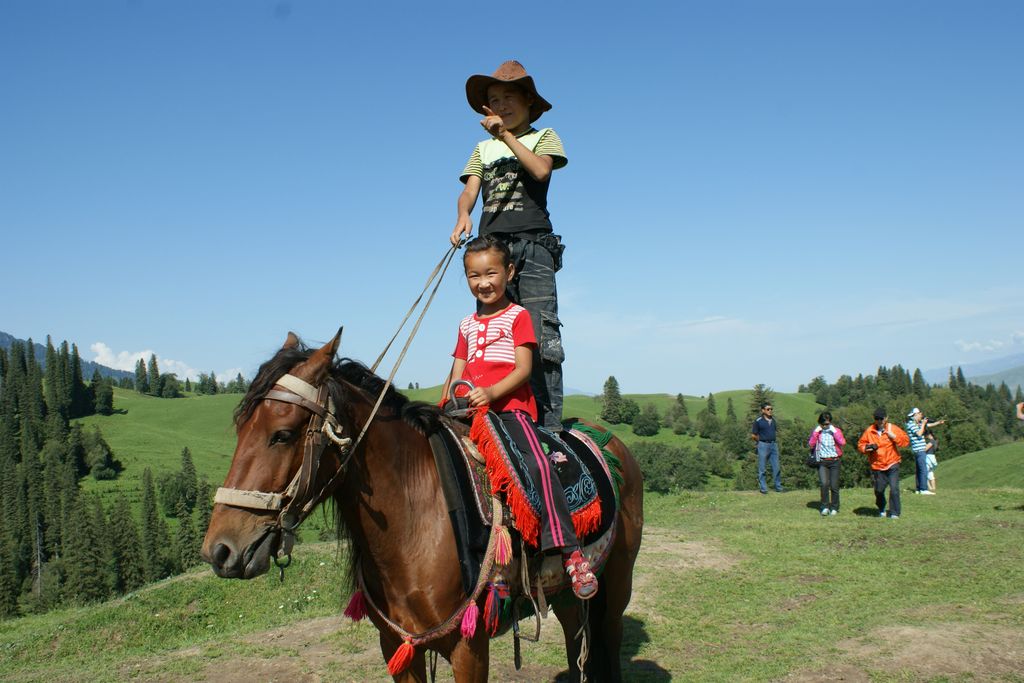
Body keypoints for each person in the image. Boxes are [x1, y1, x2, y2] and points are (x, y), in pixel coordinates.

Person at [441, 235, 597, 600]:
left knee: (538, 466)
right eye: (473, 276)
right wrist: (443, 403)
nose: (483, 283)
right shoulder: (465, 324)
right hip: (469, 410)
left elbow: (524, 369)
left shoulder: (518, 316)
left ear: (509, 272)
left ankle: (570, 552)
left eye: (491, 273)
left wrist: (492, 393)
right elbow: (456, 370)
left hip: (509, 410)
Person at [450, 60, 568, 432]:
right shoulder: (481, 149)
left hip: (533, 245)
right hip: (492, 251)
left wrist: (507, 138)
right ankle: (486, 418)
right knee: (490, 332)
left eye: (508, 98)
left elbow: (540, 171)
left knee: (538, 335)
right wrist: (463, 216)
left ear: (528, 101)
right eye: (494, 100)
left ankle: (548, 431)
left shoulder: (544, 135)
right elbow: (469, 190)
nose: (500, 106)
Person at [858, 408, 910, 519]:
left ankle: (894, 513)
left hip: (892, 463)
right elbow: (861, 445)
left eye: (881, 418)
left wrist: (894, 437)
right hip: (877, 465)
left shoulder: (893, 428)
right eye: (877, 418)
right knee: (879, 490)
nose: (879, 421)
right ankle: (881, 508)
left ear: (886, 418)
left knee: (894, 488)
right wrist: (867, 448)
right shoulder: (869, 431)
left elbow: (905, 442)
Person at [808, 411, 845, 515]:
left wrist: (834, 432)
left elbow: (842, 442)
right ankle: (824, 506)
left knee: (834, 486)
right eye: (823, 424)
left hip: (835, 461)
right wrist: (815, 432)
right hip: (822, 462)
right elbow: (811, 444)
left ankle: (834, 507)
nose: (825, 426)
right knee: (824, 484)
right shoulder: (818, 432)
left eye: (827, 424)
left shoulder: (836, 431)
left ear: (830, 423)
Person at [905, 407, 944, 495]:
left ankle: (918, 489)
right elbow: (919, 433)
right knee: (923, 470)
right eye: (919, 414)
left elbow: (928, 425)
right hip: (919, 449)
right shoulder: (911, 424)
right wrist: (923, 424)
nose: (921, 416)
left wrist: (938, 423)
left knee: (919, 470)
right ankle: (923, 489)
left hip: (919, 450)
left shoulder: (916, 424)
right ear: (915, 415)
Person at [750, 402, 783, 493]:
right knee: (762, 468)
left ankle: (778, 487)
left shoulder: (773, 420)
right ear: (763, 410)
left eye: (771, 409)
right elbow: (753, 435)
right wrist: (760, 441)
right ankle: (763, 488)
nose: (770, 411)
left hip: (773, 445)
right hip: (763, 445)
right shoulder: (758, 421)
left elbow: (775, 432)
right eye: (768, 409)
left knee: (776, 467)